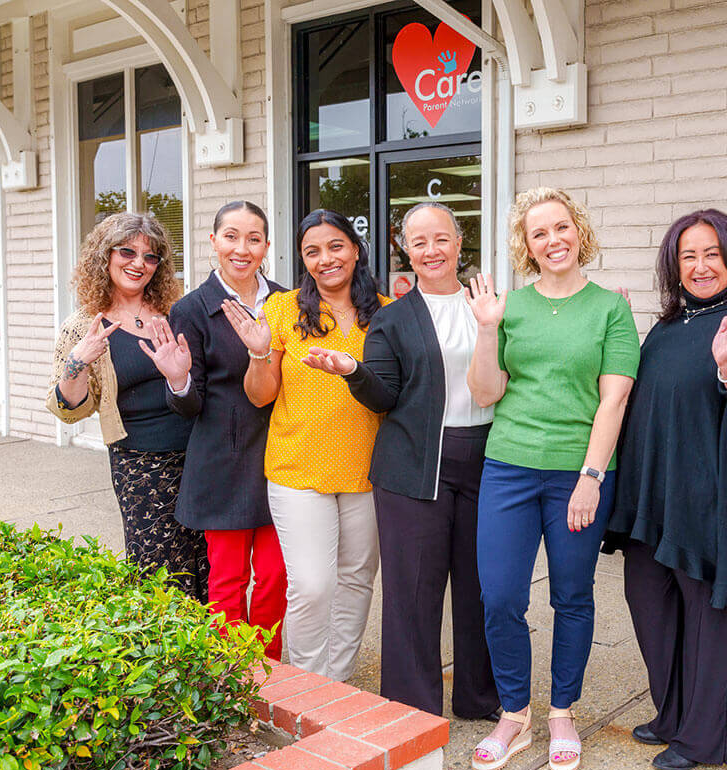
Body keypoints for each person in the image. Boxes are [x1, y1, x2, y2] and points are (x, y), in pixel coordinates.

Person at [603, 210, 727, 770]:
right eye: (689, 255)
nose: (701, 265)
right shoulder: (667, 325)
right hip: (653, 498)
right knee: (649, 604)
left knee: (707, 621)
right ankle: (674, 713)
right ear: (673, 265)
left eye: (712, 253)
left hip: (710, 502)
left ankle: (704, 740)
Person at [465, 187, 639, 770]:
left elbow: (613, 400)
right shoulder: (509, 307)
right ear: (527, 246)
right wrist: (489, 329)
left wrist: (591, 478)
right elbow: (486, 393)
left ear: (578, 231)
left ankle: (562, 709)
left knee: (571, 595)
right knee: (502, 597)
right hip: (509, 467)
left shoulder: (610, 308)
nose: (553, 240)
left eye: (560, 227)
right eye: (539, 233)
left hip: (579, 470)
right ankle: (514, 715)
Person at [303, 202, 499, 719]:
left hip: (486, 461)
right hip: (412, 466)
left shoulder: (493, 304)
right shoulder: (392, 317)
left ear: (459, 242)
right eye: (418, 242)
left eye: (440, 239)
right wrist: (353, 370)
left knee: (482, 587)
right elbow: (383, 395)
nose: (430, 251)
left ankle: (479, 699)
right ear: (404, 250)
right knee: (412, 592)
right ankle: (413, 707)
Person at [222, 208, 389, 681]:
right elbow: (261, 394)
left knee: (357, 581)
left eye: (335, 246)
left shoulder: (386, 313)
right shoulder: (281, 309)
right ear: (302, 259)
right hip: (298, 470)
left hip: (367, 470)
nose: (326, 259)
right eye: (312, 251)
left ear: (355, 249)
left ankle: (338, 681)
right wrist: (257, 352)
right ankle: (309, 685)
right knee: (312, 585)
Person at [139, 201, 288, 659]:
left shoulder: (285, 301)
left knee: (277, 575)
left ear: (265, 246)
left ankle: (267, 671)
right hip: (222, 464)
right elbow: (191, 405)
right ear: (213, 242)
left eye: (253, 238)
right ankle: (233, 676)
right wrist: (178, 379)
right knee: (227, 580)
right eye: (231, 236)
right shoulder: (191, 309)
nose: (242, 249)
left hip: (281, 457)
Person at [46, 212, 207, 600]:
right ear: (105, 257)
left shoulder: (177, 314)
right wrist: (79, 361)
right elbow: (68, 409)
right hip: (141, 465)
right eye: (127, 252)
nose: (139, 264)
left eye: (151, 257)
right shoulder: (84, 326)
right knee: (158, 568)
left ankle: (211, 655)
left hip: (200, 453)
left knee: (207, 561)